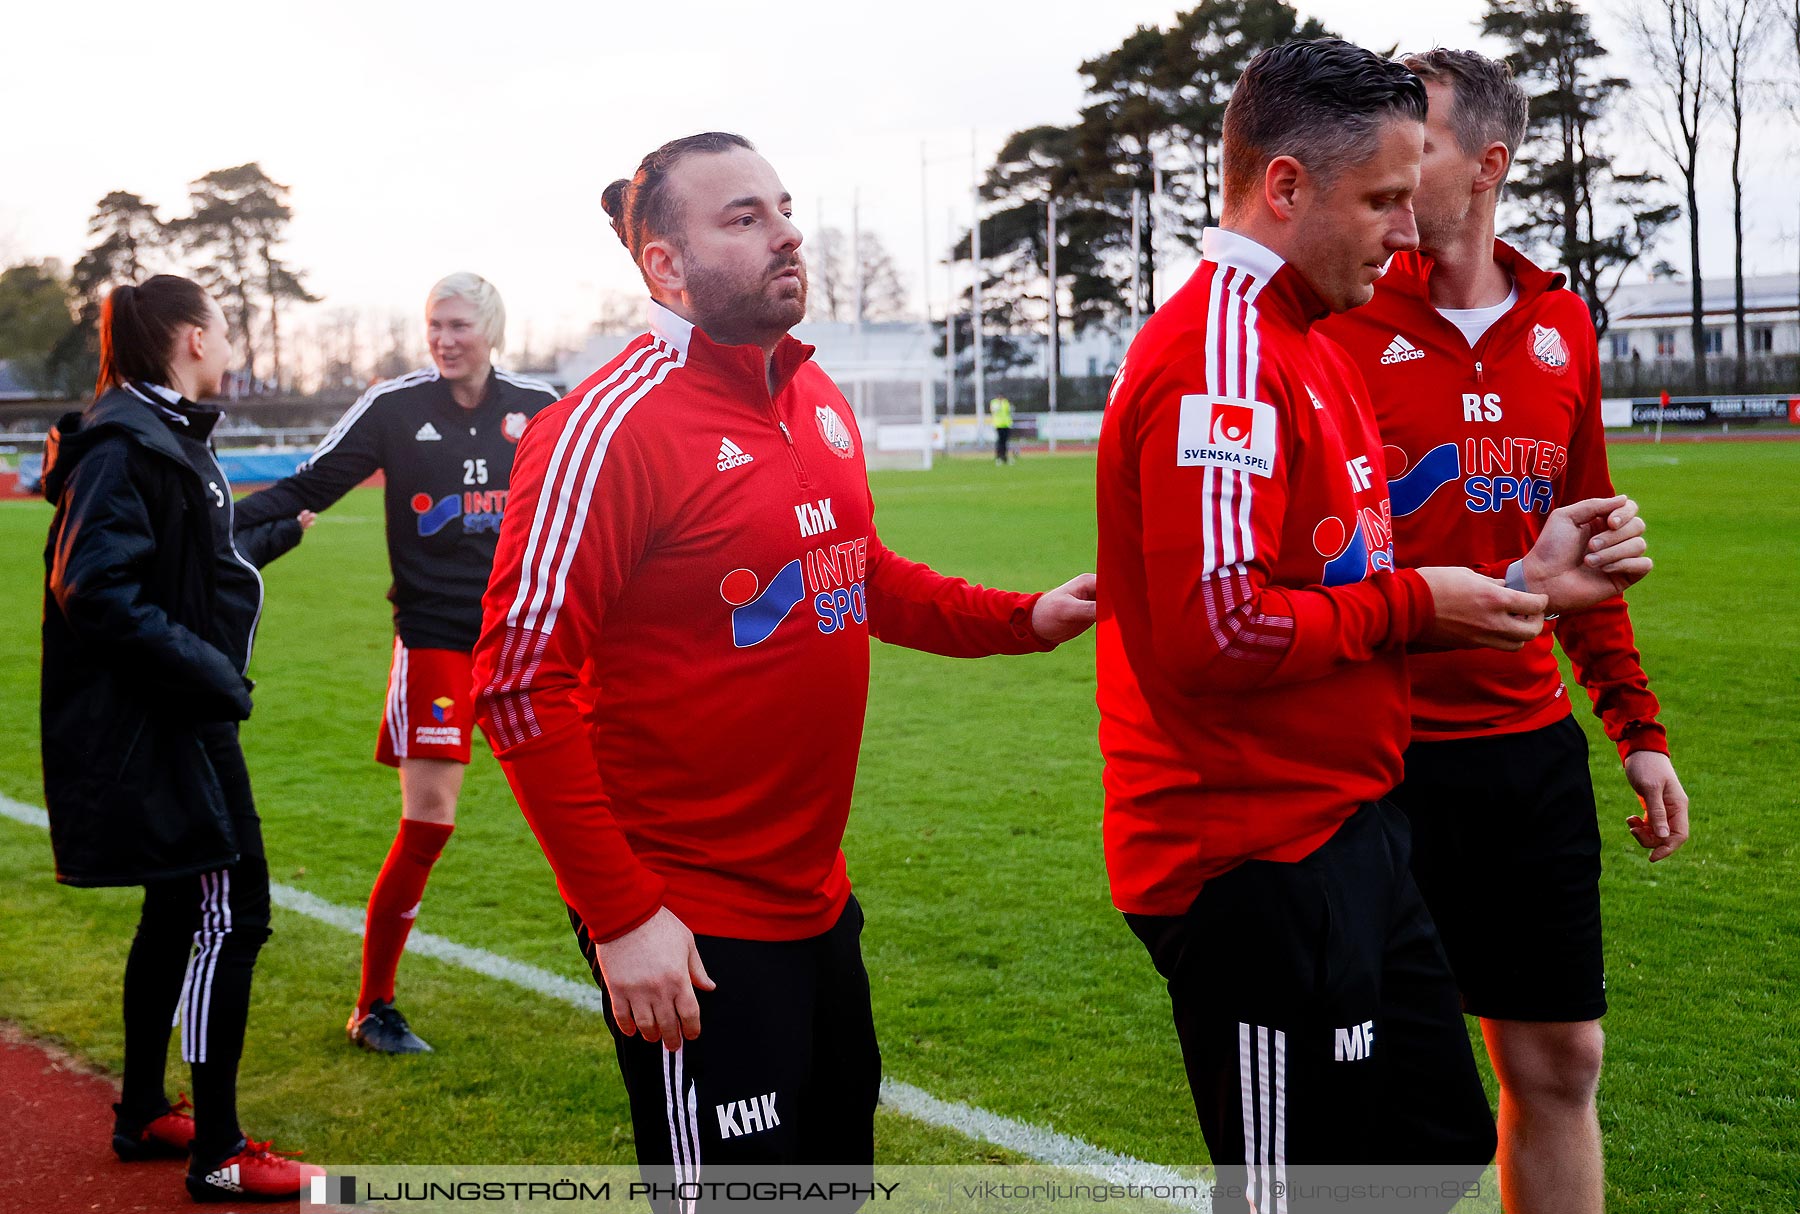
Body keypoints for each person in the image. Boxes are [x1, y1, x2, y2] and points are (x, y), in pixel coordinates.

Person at [469, 132, 1096, 1190]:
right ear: (665, 266)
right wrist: (621, 915)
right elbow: (519, 685)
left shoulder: (815, 397)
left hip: (815, 897)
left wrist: (1025, 614)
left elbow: (861, 573)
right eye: (743, 217)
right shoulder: (605, 430)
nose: (787, 231)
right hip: (685, 915)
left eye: (784, 207)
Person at [1094, 41, 1653, 1211]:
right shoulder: (1223, 357)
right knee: (1314, 1189)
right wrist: (1427, 600)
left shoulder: (1305, 336)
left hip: (1348, 821)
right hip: (1249, 854)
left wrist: (1527, 585)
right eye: (1384, 200)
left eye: (1413, 194)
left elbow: (1354, 578)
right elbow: (1219, 633)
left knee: (1434, 1138)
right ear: (1287, 187)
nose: (1406, 233)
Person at [1315, 49, 1689, 1214]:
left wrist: (1636, 724)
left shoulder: (1561, 324)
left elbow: (1589, 551)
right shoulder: (1339, 320)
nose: (1383, 157)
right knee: (1387, 1100)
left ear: (1486, 165)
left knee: (1561, 1061)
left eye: (1409, 137)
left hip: (1527, 754)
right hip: (1379, 757)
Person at [40, 275, 324, 1202]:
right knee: (230, 919)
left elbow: (194, 557)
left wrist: (281, 527)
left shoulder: (156, 433)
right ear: (194, 339)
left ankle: (141, 1113)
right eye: (227, 327)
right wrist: (212, 676)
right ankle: (221, 1153)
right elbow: (98, 591)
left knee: (177, 913)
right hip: (168, 724)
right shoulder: (129, 443)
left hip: (175, 716)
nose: (231, 341)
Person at [233, 273, 557, 1054]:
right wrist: (204, 524)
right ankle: (373, 1005)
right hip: (436, 639)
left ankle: (641, 970)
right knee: (429, 824)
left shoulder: (543, 407)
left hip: (524, 642)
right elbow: (308, 485)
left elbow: (598, 497)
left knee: (577, 808)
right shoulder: (393, 407)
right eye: (434, 326)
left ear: (491, 328)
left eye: (458, 326)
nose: (444, 340)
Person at [990, 394, 1014, 463]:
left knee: (1005, 442)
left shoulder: (1006, 402)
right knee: (1000, 442)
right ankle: (998, 456)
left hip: (1006, 424)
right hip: (999, 425)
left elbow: (1009, 411)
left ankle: (1004, 456)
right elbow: (994, 411)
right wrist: (999, 405)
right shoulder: (994, 403)